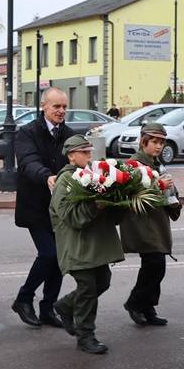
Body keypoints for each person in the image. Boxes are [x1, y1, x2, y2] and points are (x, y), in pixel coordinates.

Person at [51, 135, 124, 354]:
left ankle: (65, 305)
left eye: (89, 152)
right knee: (88, 288)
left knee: (103, 281)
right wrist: (96, 206)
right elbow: (71, 217)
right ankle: (86, 336)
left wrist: (118, 200)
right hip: (77, 246)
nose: (89, 156)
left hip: (95, 245)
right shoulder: (65, 180)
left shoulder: (94, 175)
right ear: (71, 156)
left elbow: (112, 216)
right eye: (84, 152)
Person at [11, 87, 72, 328]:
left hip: (61, 208)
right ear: (44, 106)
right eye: (56, 106)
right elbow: (28, 162)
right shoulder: (27, 132)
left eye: (64, 106)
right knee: (49, 254)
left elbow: (79, 160)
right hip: (35, 206)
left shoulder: (69, 134)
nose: (61, 111)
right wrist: (46, 176)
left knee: (59, 260)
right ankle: (24, 298)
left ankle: (48, 308)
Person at [119, 122, 181, 326]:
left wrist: (172, 195)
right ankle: (135, 303)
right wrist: (159, 185)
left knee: (155, 266)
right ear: (143, 141)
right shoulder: (133, 163)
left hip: (156, 220)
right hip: (141, 222)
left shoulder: (156, 163)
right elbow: (131, 191)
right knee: (155, 264)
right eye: (154, 142)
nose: (159, 146)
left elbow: (168, 191)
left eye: (161, 143)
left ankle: (148, 307)